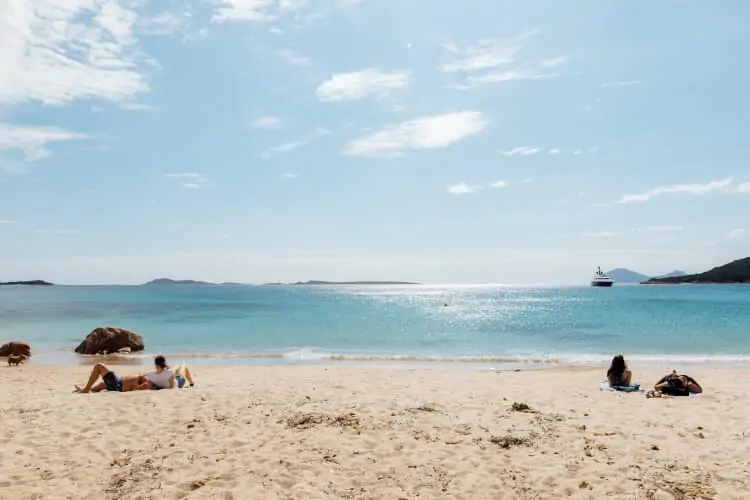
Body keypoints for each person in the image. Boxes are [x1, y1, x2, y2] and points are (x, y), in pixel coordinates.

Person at [74, 363, 151, 393]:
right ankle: (88, 389)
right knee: (102, 384)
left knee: (99, 366)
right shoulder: (147, 379)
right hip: (118, 382)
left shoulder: (147, 384)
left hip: (118, 385)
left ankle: (86, 390)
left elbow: (135, 389)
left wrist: (139, 378)